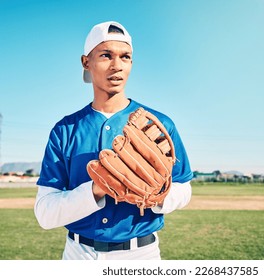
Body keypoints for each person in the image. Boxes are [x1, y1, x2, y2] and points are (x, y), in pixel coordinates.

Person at [34, 21, 193, 260]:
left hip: (141, 257)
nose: (117, 66)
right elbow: (45, 215)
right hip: (80, 255)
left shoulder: (156, 125)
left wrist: (156, 194)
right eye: (106, 55)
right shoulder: (64, 130)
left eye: (125, 56)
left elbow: (185, 189)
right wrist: (100, 186)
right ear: (86, 62)